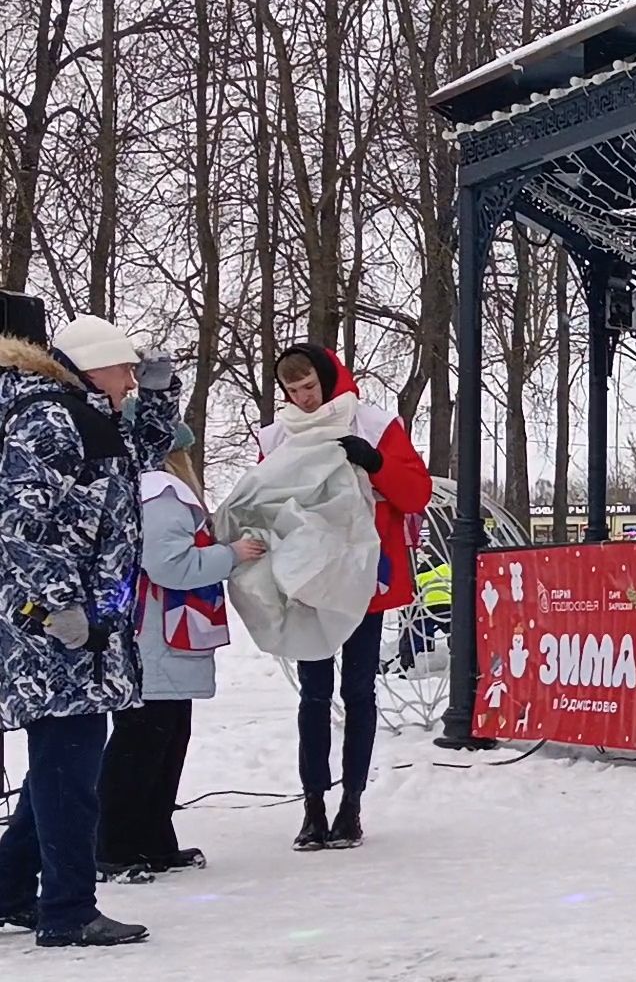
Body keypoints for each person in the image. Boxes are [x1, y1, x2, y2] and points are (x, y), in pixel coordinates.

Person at [0, 314, 178, 947]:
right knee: (68, 774)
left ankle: (10, 889)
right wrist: (59, 607)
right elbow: (21, 524)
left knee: (61, 766)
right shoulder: (48, 420)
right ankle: (69, 911)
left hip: (87, 631)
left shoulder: (86, 415)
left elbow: (143, 455)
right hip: (54, 632)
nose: (130, 380)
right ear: (92, 367)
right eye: (125, 370)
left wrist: (160, 392)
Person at [261, 343, 430, 851]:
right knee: (314, 694)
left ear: (329, 378)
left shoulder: (374, 424)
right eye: (293, 390)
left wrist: (375, 463)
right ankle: (313, 806)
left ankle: (350, 806)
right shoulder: (277, 435)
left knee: (357, 691)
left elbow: (415, 493)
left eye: (309, 386)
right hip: (309, 579)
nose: (303, 398)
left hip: (362, 577)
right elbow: (263, 503)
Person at [95, 425, 265, 880]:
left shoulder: (148, 489)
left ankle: (150, 839)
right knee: (143, 745)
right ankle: (114, 847)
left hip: (162, 637)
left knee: (163, 741)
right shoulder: (162, 493)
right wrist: (231, 554)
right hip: (157, 637)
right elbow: (168, 565)